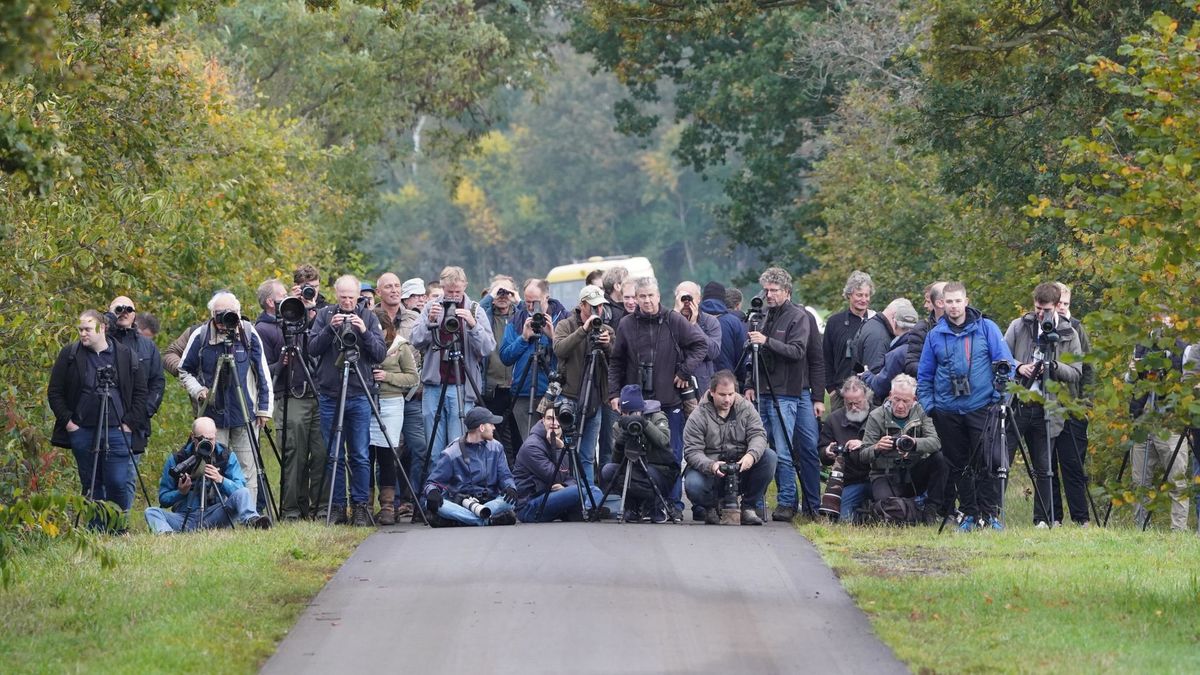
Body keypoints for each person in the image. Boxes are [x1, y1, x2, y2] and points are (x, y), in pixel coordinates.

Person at [917, 282, 1015, 531]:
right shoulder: (934, 335)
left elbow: (1006, 364)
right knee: (958, 464)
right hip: (947, 410)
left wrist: (997, 397)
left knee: (987, 461)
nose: (953, 306)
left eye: (957, 301)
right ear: (941, 304)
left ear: (966, 301)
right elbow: (924, 375)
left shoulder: (987, 328)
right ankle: (969, 513)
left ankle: (989, 513)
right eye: (948, 302)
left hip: (982, 405)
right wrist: (931, 407)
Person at [607, 276, 707, 520]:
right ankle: (636, 504)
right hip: (635, 402)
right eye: (642, 296)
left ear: (658, 296)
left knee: (670, 454)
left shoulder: (673, 320)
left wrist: (684, 372)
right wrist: (613, 393)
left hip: (668, 400)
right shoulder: (627, 324)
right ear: (636, 298)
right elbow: (617, 362)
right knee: (631, 452)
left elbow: (700, 345)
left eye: (651, 296)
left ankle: (672, 504)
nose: (647, 301)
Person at [48, 309, 147, 530]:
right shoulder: (71, 354)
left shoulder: (125, 354)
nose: (83, 334)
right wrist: (69, 424)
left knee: (118, 482)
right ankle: (95, 529)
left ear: (102, 328)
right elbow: (55, 392)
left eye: (87, 329)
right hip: (83, 430)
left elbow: (141, 392)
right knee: (92, 484)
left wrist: (129, 423)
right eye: (80, 329)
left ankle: (118, 528)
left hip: (118, 430)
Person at [742, 267, 824, 522]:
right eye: (766, 290)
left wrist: (766, 341)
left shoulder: (798, 317)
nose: (769, 295)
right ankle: (765, 500)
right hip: (764, 388)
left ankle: (791, 501)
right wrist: (749, 383)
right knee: (768, 446)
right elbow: (751, 356)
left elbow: (800, 352)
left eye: (774, 290)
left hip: (789, 391)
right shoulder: (761, 315)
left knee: (789, 448)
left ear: (787, 292)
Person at [179, 291, 273, 511]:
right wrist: (198, 390)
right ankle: (212, 513)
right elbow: (184, 370)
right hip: (213, 416)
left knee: (247, 467)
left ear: (239, 314)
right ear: (212, 314)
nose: (225, 320)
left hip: (244, 412)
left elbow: (263, 372)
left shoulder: (249, 333)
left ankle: (247, 514)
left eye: (231, 314)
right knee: (211, 465)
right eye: (221, 314)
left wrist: (264, 409)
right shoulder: (201, 336)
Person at [308, 275, 388, 526]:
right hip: (330, 394)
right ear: (335, 295)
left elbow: (380, 353)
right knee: (333, 454)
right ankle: (338, 507)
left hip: (359, 395)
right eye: (342, 297)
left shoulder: (368, 316)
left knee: (360, 454)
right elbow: (312, 349)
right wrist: (330, 327)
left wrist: (363, 331)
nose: (347, 301)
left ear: (358, 296)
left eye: (351, 297)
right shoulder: (324, 315)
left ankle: (361, 506)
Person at [1004, 282, 1083, 528]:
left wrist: (1054, 367)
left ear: (1057, 306)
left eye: (1046, 308)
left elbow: (1077, 372)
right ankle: (992, 513)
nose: (1041, 313)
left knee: (1044, 465)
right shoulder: (1019, 326)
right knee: (1001, 459)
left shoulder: (1069, 333)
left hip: (1048, 406)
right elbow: (1000, 357)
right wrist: (1019, 366)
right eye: (1038, 308)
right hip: (1019, 402)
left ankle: (1044, 518)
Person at [411, 266, 496, 459]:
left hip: (462, 386)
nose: (454, 296)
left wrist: (473, 325)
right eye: (449, 292)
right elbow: (415, 340)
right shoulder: (431, 307)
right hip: (434, 385)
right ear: (442, 287)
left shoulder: (475, 309)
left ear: (465, 286)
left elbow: (488, 348)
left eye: (458, 292)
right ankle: (435, 487)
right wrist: (430, 321)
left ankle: (457, 487)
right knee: (434, 449)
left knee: (457, 447)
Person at [144, 417, 271, 533]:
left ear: (216, 435)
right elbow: (163, 499)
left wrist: (221, 480)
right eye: (202, 439)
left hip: (215, 514)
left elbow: (240, 489)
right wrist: (181, 492)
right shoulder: (178, 459)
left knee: (243, 492)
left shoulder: (225, 456)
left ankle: (252, 520)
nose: (207, 443)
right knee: (151, 512)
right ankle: (166, 534)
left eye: (211, 439)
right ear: (193, 437)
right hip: (185, 517)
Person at [271, 265, 328, 521]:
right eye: (304, 287)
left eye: (312, 287)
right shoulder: (287, 309)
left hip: (323, 392)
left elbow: (323, 342)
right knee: (294, 453)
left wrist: (313, 309)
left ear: (318, 286)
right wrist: (292, 304)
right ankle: (292, 510)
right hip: (294, 393)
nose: (308, 292)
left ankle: (323, 509)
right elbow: (281, 337)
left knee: (322, 453)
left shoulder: (327, 311)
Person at [682, 370, 776, 525]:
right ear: (712, 392)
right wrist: (710, 465)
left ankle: (748, 508)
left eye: (731, 394)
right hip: (712, 472)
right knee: (692, 483)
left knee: (769, 457)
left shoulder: (746, 408)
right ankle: (711, 507)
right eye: (722, 394)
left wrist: (751, 455)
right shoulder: (698, 415)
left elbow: (759, 435)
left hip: (740, 468)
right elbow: (692, 451)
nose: (727, 399)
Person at [858, 375, 948, 525]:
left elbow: (935, 442)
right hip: (884, 474)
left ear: (914, 399)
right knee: (890, 508)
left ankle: (931, 508)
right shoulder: (876, 416)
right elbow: (863, 455)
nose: (900, 406)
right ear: (890, 396)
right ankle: (913, 509)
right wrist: (877, 447)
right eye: (896, 399)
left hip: (913, 472)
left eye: (905, 401)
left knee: (940, 459)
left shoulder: (922, 412)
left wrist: (914, 444)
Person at [1128, 317, 1190, 531]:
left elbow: (1187, 383)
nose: (1158, 324)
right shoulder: (1142, 346)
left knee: (1177, 481)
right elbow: (1131, 382)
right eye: (1154, 318)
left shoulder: (1183, 349)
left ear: (1173, 321)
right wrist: (1133, 372)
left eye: (1163, 319)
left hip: (1170, 424)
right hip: (1143, 420)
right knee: (1140, 482)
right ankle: (1140, 529)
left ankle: (1178, 531)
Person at [552, 285, 615, 483]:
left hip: (595, 400)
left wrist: (608, 345)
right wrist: (583, 330)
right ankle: (571, 495)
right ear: (582, 305)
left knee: (587, 455)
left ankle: (587, 501)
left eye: (601, 306)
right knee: (568, 452)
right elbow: (560, 350)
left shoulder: (607, 330)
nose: (598, 311)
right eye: (593, 306)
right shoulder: (565, 325)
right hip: (570, 398)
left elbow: (616, 362)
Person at [422, 407, 518, 527]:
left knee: (509, 501)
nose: (494, 427)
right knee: (431, 504)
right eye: (491, 424)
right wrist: (432, 491)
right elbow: (432, 483)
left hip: (491, 502)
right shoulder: (451, 453)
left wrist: (510, 487)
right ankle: (487, 520)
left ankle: (461, 520)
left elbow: (505, 476)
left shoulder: (497, 447)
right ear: (481, 427)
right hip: (461, 503)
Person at [368, 305, 419, 525]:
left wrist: (387, 376)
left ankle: (388, 506)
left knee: (388, 454)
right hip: (367, 402)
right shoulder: (364, 345)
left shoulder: (400, 346)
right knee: (365, 455)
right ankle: (366, 505)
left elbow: (412, 379)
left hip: (391, 402)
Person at [500, 278, 568, 441]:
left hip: (553, 391)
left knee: (554, 442)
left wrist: (553, 337)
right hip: (523, 393)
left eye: (534, 302)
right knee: (531, 443)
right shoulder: (517, 320)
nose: (530, 307)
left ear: (546, 297)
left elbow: (571, 357)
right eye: (527, 302)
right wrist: (523, 338)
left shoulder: (563, 319)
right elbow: (505, 357)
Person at [599, 385, 678, 522]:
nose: (630, 417)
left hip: (660, 471)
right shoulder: (619, 425)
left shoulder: (656, 417)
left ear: (641, 410)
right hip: (635, 472)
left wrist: (644, 424)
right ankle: (633, 506)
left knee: (648, 474)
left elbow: (664, 441)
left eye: (633, 413)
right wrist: (619, 444)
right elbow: (616, 461)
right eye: (626, 413)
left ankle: (655, 504)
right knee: (608, 470)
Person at [513, 406, 605, 522]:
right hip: (529, 506)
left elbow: (571, 477)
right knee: (579, 491)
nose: (554, 423)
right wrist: (561, 448)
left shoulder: (562, 440)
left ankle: (587, 511)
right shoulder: (532, 446)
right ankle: (589, 510)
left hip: (550, 497)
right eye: (549, 418)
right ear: (542, 420)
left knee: (594, 490)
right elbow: (556, 477)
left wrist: (565, 487)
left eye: (558, 419)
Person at [1052, 283, 1094, 527]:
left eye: (1066, 304)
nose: (1062, 308)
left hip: (1073, 407)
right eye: (1059, 304)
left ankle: (1081, 518)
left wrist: (1085, 402)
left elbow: (1088, 368)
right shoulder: (1040, 327)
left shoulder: (1077, 328)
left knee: (1073, 465)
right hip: (1048, 405)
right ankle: (1052, 517)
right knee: (1047, 465)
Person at [106, 295, 165, 455]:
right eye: (119, 309)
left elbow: (157, 384)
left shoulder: (148, 347)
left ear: (134, 315)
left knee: (126, 479)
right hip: (101, 423)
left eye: (129, 309)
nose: (123, 313)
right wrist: (108, 320)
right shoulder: (99, 341)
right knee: (97, 478)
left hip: (135, 427)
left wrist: (140, 416)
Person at [817, 377, 873, 521]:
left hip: (878, 477)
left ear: (866, 398)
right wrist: (827, 452)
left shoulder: (879, 415)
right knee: (843, 520)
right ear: (844, 401)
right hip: (850, 481)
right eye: (849, 404)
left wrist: (864, 444)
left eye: (858, 403)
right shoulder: (833, 420)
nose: (854, 407)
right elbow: (821, 452)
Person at [480, 276, 520, 461]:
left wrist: (517, 299)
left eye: (507, 292)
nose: (503, 296)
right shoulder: (485, 315)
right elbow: (474, 314)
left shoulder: (520, 316)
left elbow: (532, 313)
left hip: (517, 386)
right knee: (494, 437)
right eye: (499, 292)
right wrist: (491, 296)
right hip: (493, 388)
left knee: (518, 436)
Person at [824, 270, 875, 411]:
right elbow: (825, 358)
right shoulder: (834, 322)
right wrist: (831, 390)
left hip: (870, 393)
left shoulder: (876, 322)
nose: (863, 299)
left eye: (867, 295)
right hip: (841, 394)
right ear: (849, 295)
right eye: (859, 295)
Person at [861, 300, 920, 402]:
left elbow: (880, 387)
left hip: (903, 408)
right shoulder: (927, 346)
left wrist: (867, 375)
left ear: (894, 322)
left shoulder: (897, 354)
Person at [674, 281, 722, 399]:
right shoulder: (667, 320)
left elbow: (713, 352)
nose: (686, 302)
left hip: (701, 386)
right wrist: (675, 315)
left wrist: (694, 325)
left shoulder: (710, 321)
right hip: (674, 384)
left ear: (699, 299)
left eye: (690, 297)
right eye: (682, 297)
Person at [699, 281, 746, 374]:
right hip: (726, 382)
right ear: (722, 299)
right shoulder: (734, 322)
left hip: (700, 381)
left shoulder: (693, 320)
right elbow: (742, 356)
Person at [905, 282, 947, 377]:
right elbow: (911, 364)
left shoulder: (971, 326)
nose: (925, 306)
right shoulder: (922, 329)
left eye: (928, 301)